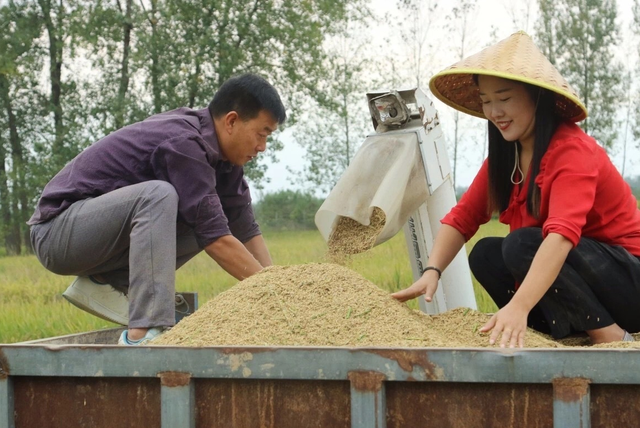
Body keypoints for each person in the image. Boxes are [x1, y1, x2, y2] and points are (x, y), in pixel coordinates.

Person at [392, 31, 640, 348]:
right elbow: (463, 217)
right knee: (486, 254)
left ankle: (612, 336)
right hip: (587, 286)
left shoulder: (573, 152)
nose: (494, 112)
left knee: (521, 244)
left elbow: (561, 237)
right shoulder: (506, 158)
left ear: (537, 96)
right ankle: (552, 335)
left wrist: (519, 305)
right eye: (486, 101)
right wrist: (432, 271)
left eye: (505, 98)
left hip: (628, 282)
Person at [28, 73, 286, 345]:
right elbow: (217, 241)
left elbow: (244, 229)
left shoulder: (226, 163)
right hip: (57, 231)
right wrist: (268, 289)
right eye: (262, 134)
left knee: (206, 213)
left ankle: (106, 280)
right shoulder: (184, 142)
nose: (262, 147)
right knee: (159, 195)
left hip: (99, 244)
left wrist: (280, 285)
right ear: (232, 121)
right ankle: (143, 330)